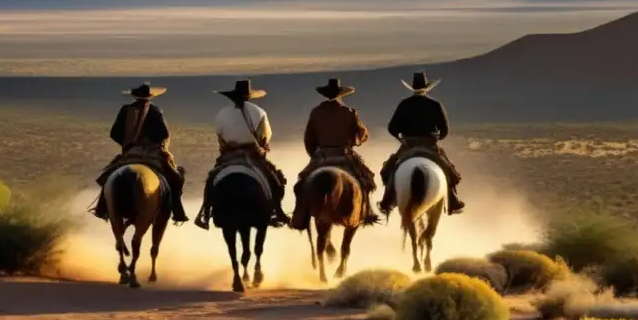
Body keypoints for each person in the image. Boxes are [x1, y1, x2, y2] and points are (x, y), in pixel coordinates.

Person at [194, 79, 290, 230]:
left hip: (229, 154)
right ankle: (276, 211)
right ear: (249, 96)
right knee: (276, 179)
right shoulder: (259, 112)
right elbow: (265, 136)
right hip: (253, 154)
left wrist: (227, 148)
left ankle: (205, 213)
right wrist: (262, 148)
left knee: (211, 178)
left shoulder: (222, 113)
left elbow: (220, 136)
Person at [289, 78, 380, 230]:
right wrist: (356, 140)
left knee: (301, 183)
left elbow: (309, 138)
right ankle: (366, 212)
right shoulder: (349, 112)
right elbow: (362, 134)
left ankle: (299, 218)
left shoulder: (316, 112)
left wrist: (314, 155)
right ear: (341, 95)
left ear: (325, 95)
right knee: (366, 180)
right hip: (344, 155)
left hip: (322, 156)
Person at [93, 83, 189, 224]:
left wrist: (127, 144)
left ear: (135, 97)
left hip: (131, 152)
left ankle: (102, 208)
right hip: (152, 152)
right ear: (149, 97)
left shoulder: (125, 110)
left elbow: (114, 133)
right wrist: (158, 146)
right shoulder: (155, 111)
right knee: (176, 178)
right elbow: (164, 134)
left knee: (108, 175)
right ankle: (177, 210)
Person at [379, 71, 465, 218]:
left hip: (408, 146)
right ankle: (453, 201)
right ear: (427, 88)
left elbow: (391, 128)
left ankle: (387, 202)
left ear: (412, 88)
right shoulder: (435, 104)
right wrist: (438, 137)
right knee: (449, 172)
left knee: (388, 171)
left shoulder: (404, 104)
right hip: (429, 145)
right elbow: (444, 130)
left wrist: (401, 138)